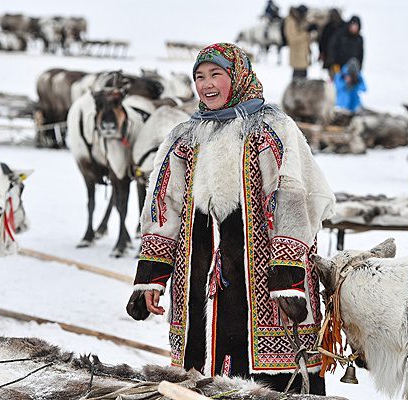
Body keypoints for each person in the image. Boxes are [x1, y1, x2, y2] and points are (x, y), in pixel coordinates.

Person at [126, 43, 335, 394]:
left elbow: (292, 199)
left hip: (263, 286)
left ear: (237, 76)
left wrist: (288, 278)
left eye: (216, 75)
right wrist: (151, 278)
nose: (206, 85)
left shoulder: (271, 130)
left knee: (271, 386)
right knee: (201, 378)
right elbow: (165, 207)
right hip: (198, 282)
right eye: (199, 77)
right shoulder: (184, 137)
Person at [284, 5, 311, 79]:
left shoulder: (298, 20)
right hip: (297, 55)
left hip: (302, 56)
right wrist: (306, 34)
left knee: (303, 78)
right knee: (298, 79)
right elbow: (292, 38)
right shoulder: (291, 21)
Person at [317, 8, 344, 74]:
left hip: (341, 57)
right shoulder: (327, 27)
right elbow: (322, 42)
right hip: (330, 58)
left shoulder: (343, 26)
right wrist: (322, 53)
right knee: (333, 76)